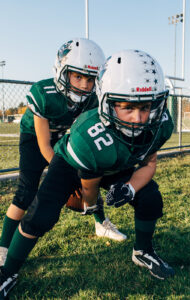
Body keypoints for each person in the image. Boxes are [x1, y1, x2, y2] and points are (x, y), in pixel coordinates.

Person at [0, 49, 175, 298]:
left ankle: (142, 251)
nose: (138, 119)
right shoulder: (89, 135)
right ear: (106, 101)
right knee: (40, 215)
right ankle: (8, 272)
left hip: (114, 162)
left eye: (146, 106)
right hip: (72, 163)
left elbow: (148, 163)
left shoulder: (161, 124)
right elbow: (89, 183)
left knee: (149, 196)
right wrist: (90, 206)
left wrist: (130, 188)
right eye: (127, 107)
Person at [0, 39, 126, 266]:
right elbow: (44, 146)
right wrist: (66, 174)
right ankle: (3, 247)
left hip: (63, 135)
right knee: (26, 192)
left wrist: (80, 174)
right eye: (78, 76)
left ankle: (100, 223)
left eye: (90, 79)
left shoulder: (93, 100)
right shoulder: (43, 92)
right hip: (35, 138)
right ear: (62, 71)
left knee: (89, 170)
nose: (85, 85)